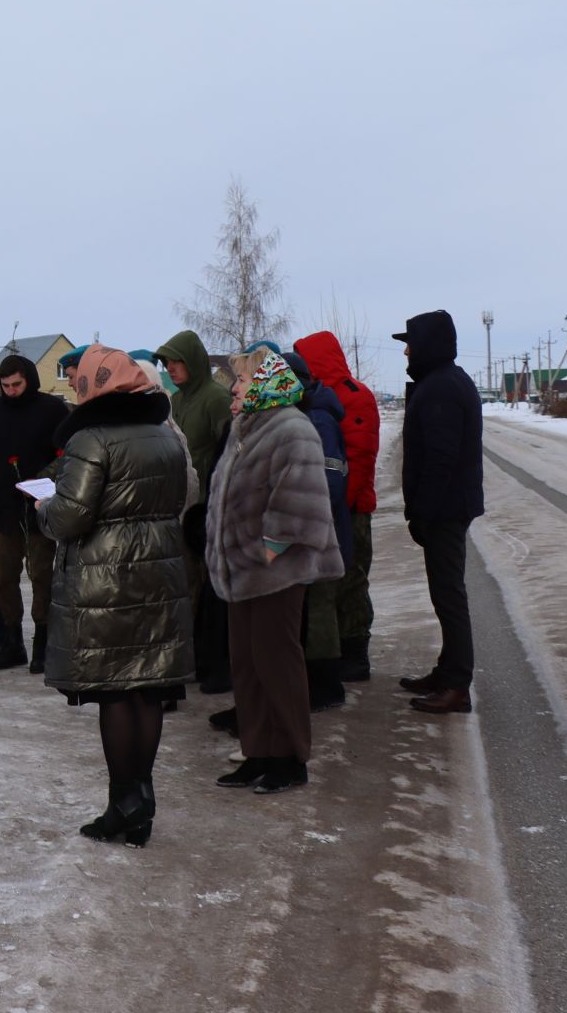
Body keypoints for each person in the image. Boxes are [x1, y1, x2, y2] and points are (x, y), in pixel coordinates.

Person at [36, 346, 192, 847]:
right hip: (160, 577)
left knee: (116, 694)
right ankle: (139, 800)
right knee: (147, 689)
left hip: (108, 581)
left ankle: (123, 803)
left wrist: (41, 506)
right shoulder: (165, 437)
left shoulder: (92, 439)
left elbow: (68, 518)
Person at [207, 351, 343, 795]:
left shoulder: (291, 427)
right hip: (240, 570)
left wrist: (270, 550)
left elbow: (302, 499)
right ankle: (258, 752)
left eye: (242, 379)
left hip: (275, 572)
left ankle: (290, 757)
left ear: (267, 381)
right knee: (246, 665)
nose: (234, 387)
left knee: (277, 663)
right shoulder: (245, 427)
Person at [394, 310, 484, 715]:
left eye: (410, 342)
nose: (407, 351)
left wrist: (423, 514)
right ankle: (447, 671)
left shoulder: (443, 388)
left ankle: (457, 685)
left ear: (428, 344)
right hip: (446, 509)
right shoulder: (441, 382)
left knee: (449, 596)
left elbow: (441, 461)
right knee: (444, 593)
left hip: (445, 511)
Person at [293, 330, 381, 681]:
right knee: (332, 582)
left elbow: (358, 459)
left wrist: (336, 507)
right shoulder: (319, 398)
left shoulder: (354, 398)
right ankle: (339, 649)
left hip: (352, 507)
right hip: (334, 505)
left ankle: (356, 652)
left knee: (352, 579)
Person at [0, 353, 69, 673]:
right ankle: (11, 642)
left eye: (17, 384)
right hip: (3, 510)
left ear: (29, 380)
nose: (12, 390)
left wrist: (44, 478)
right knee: (4, 578)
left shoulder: (53, 409)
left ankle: (43, 644)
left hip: (40, 509)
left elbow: (67, 454)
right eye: (6, 385)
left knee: (42, 577)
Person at [155, 329, 234, 694]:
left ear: (194, 361)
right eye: (167, 363)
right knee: (182, 586)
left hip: (206, 507)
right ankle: (187, 658)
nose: (170, 368)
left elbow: (230, 450)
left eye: (176, 361)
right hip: (180, 506)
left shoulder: (216, 398)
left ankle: (206, 659)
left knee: (202, 586)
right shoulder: (176, 400)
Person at [277, 347, 355, 713]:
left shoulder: (319, 419)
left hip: (323, 531)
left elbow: (332, 479)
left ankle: (326, 685)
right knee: (309, 609)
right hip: (310, 529)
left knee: (321, 607)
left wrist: (303, 511)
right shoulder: (304, 413)